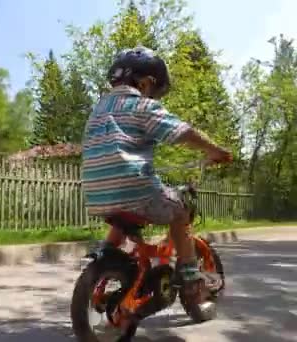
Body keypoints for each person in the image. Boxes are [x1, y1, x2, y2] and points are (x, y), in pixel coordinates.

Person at [81, 46, 232, 296]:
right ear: (145, 84)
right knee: (181, 212)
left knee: (123, 210)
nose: (155, 99)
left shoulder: (98, 110)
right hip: (135, 188)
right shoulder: (141, 105)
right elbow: (182, 132)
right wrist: (215, 150)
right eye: (156, 93)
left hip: (97, 195)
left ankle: (106, 251)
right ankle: (190, 274)